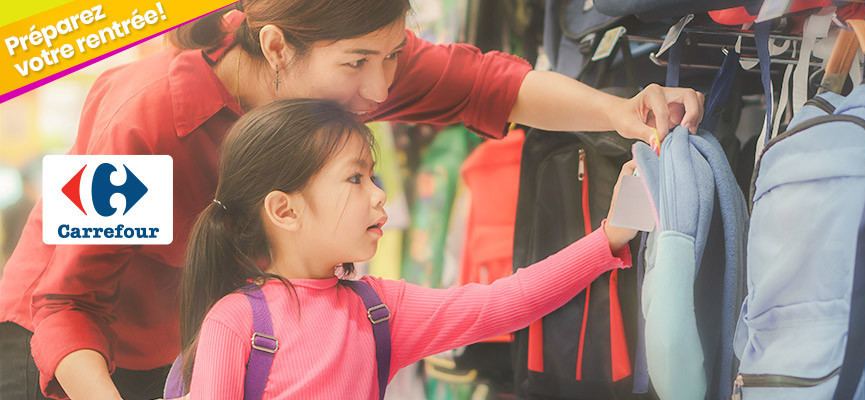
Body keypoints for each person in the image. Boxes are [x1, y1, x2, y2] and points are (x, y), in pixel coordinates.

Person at [0, 0, 703, 398]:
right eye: (359, 65)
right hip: (60, 353)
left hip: (180, 346)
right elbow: (66, 305)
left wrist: (619, 112)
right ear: (276, 48)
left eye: (390, 59)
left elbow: (490, 84)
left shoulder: (352, 63)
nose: (378, 91)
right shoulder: (148, 115)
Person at [182, 98, 637, 398]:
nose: (380, 196)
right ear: (284, 211)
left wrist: (609, 238)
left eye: (373, 177)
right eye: (356, 178)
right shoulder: (235, 322)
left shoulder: (379, 310)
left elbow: (504, 302)